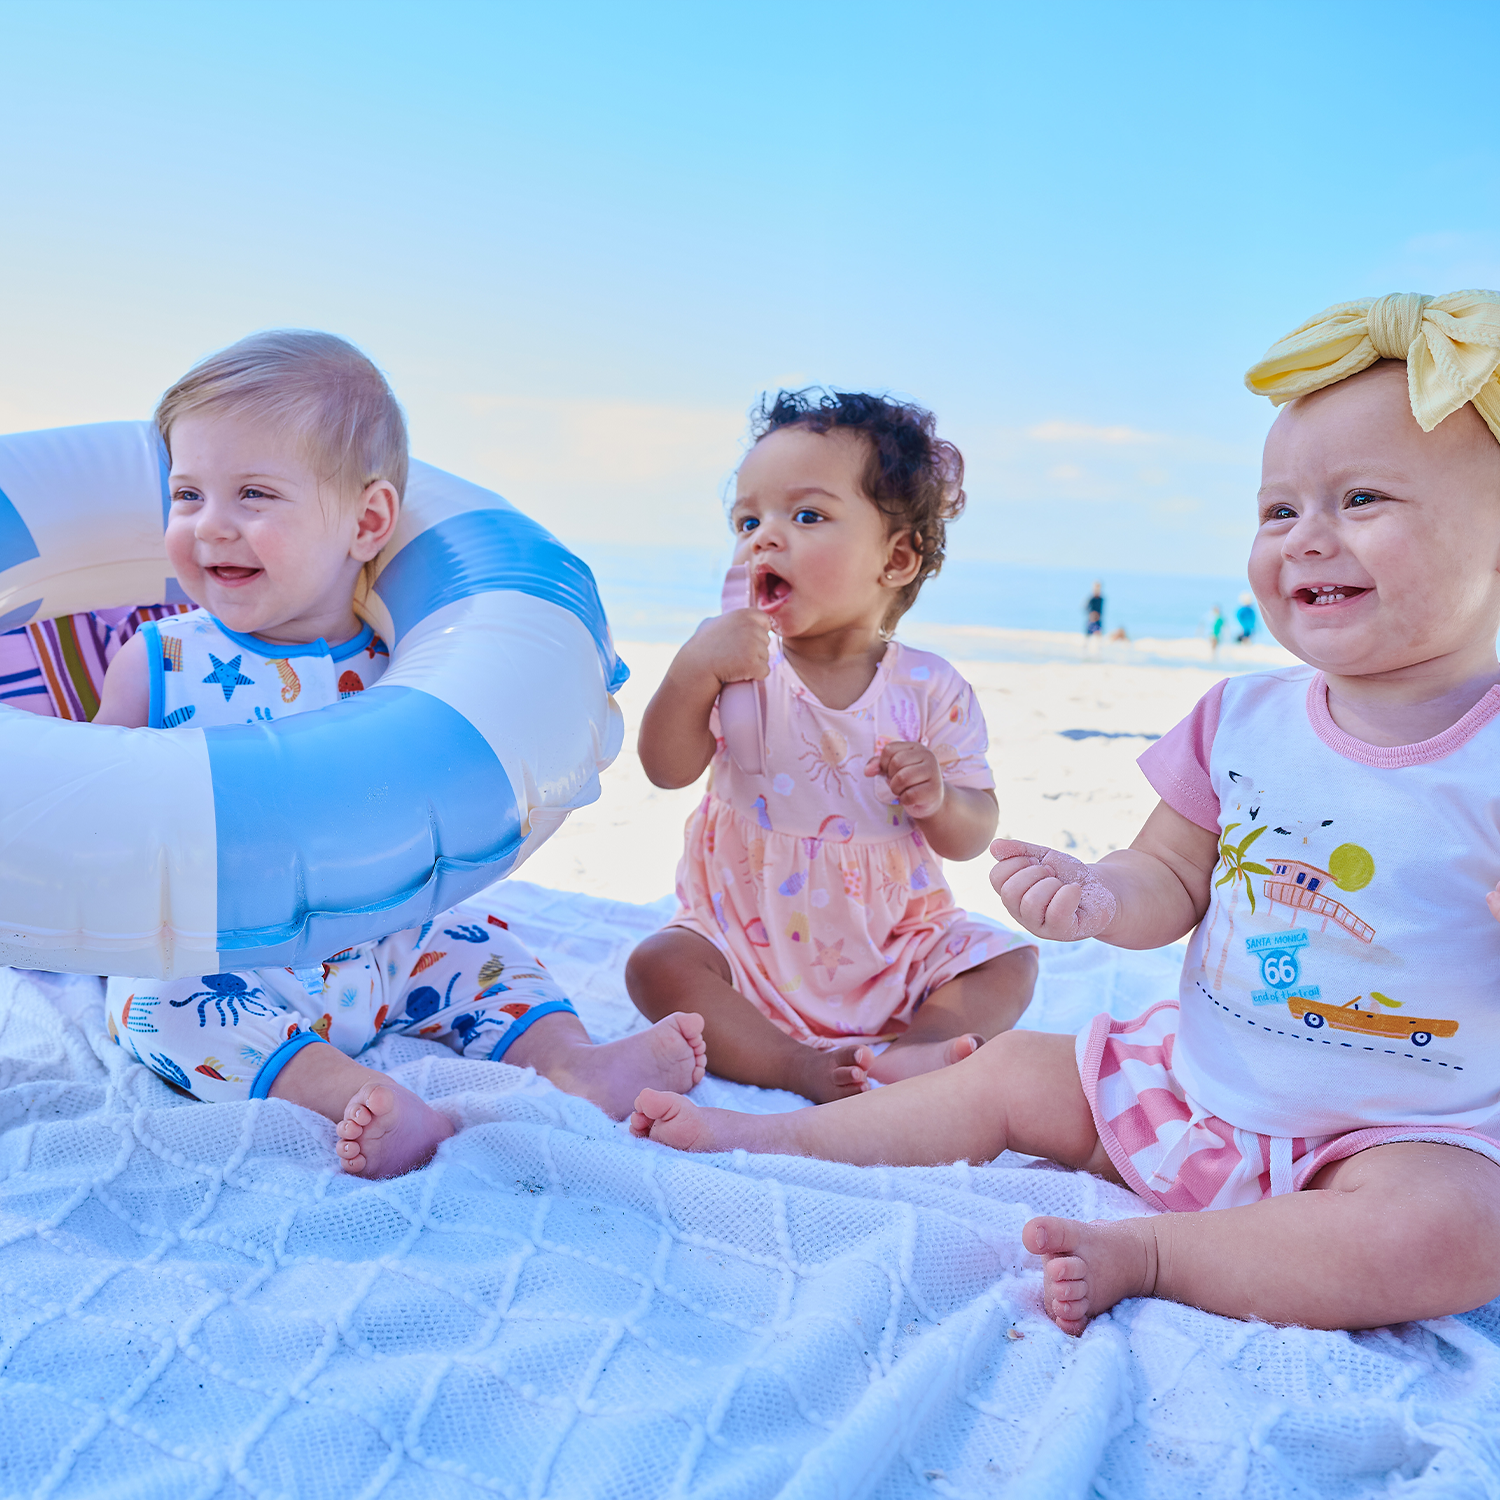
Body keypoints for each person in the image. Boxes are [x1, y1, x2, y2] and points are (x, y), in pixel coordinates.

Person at [630, 291, 1500, 1336]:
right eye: (1278, 511)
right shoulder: (1241, 718)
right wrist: (1099, 895)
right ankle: (771, 1141)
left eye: (1359, 499)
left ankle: (1159, 1254)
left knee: (1455, 1231)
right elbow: (1168, 873)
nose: (1304, 538)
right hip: (1194, 1090)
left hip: (1402, 1136)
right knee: (1016, 1071)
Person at [94, 331, 706, 1178]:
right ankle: (350, 1092)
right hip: (230, 955)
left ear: (368, 521)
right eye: (188, 494)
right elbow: (90, 804)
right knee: (154, 1003)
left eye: (254, 494)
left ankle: (575, 1062)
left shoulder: (415, 661)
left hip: (390, 940)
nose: (211, 526)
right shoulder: (158, 662)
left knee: (485, 942)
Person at [625, 390, 1038, 1103]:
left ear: (896, 558)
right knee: (657, 965)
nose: (762, 538)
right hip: (743, 938)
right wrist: (692, 672)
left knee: (1009, 964)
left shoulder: (930, 687)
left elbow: (973, 832)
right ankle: (792, 1064)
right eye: (747, 520)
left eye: (806, 516)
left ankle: (916, 1050)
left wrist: (939, 798)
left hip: (892, 944)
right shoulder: (737, 663)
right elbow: (666, 769)